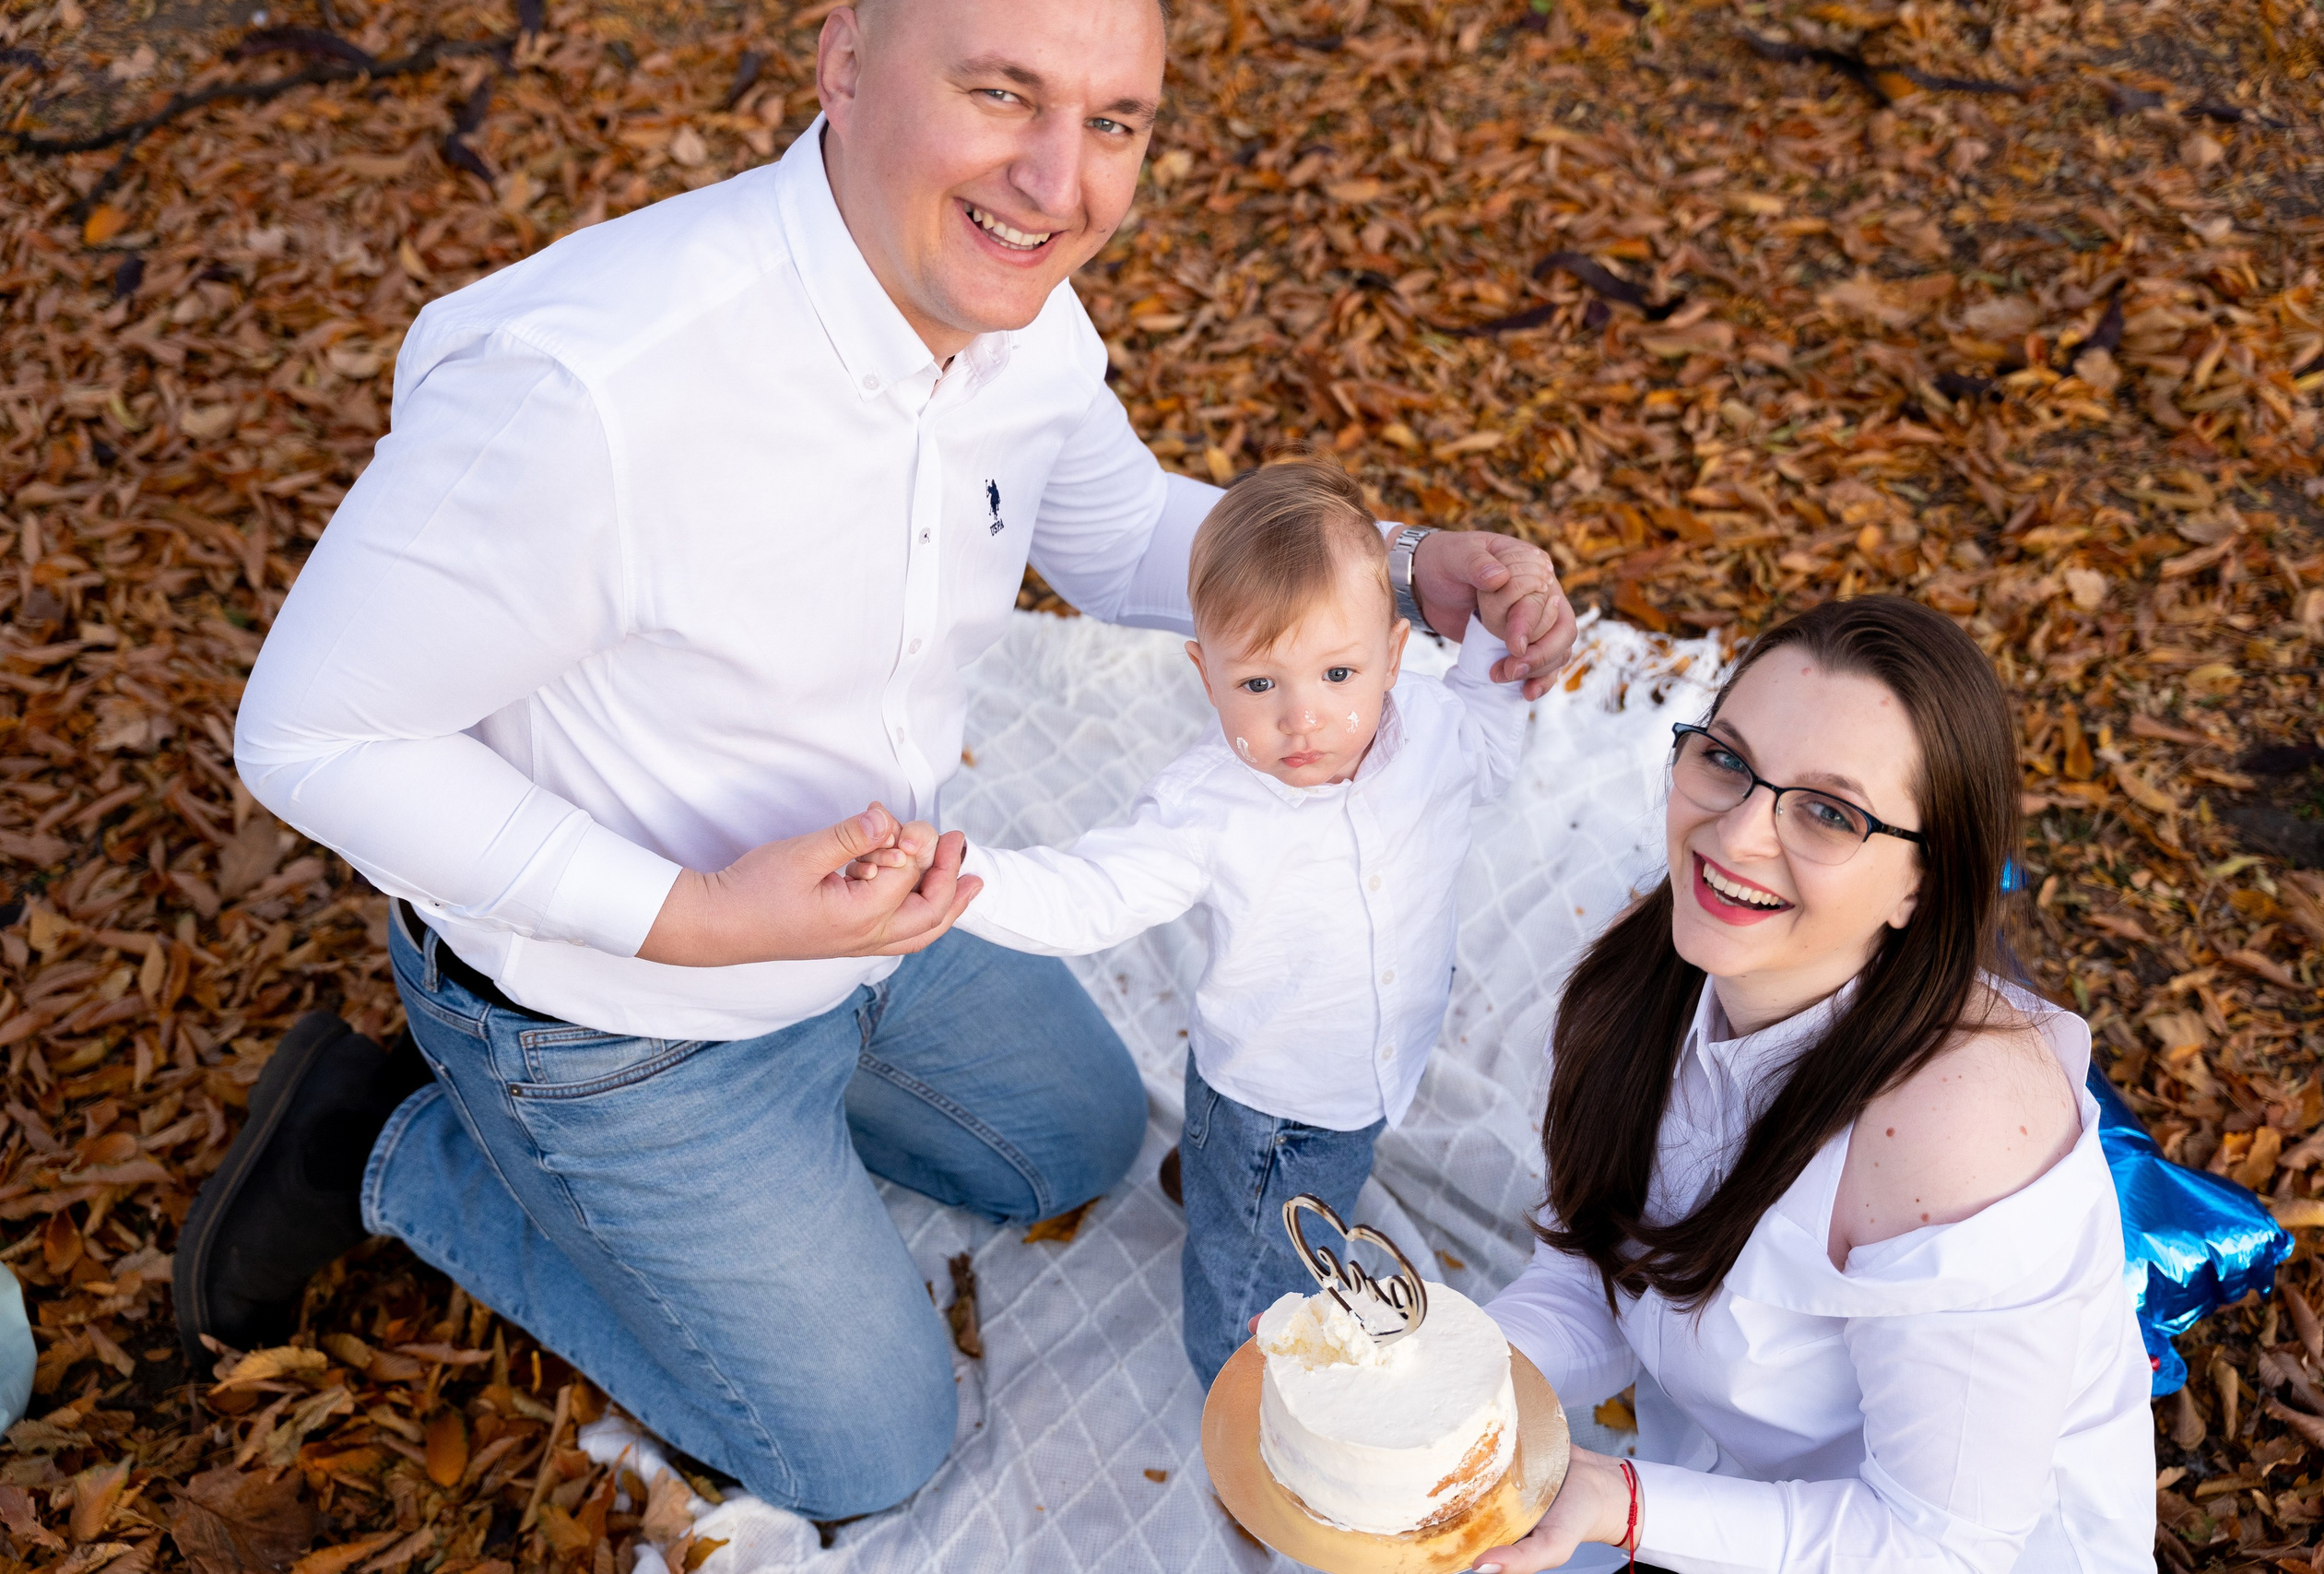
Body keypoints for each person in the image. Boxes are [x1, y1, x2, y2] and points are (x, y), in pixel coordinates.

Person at [181, 0, 1578, 1520]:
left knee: (1083, 1144)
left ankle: (778, 1150)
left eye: (1115, 123)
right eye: (1002, 94)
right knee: (871, 1451)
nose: (1061, 184)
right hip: (622, 1013)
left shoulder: (1009, 305)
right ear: (844, 60)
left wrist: (1399, 567)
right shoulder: (589, 390)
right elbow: (312, 733)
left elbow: (1117, 533)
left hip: (881, 919)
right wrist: (710, 915)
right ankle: (394, 1143)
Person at [1466, 595, 2154, 1573]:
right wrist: (1449, 1375)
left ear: (1924, 882)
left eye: (1829, 812)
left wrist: (1622, 1502)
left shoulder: (1954, 1130)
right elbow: (1599, 1268)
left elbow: (1944, 1547)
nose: (1738, 834)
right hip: (1713, 1507)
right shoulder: (1653, 974)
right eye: (1726, 760)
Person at [937, 460, 1530, 1388]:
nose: (1304, 718)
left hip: (1382, 1058)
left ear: (1395, 653)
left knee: (1294, 1180)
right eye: (1258, 684)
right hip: (1275, 1106)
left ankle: (1205, 1184)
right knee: (1257, 1277)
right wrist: (962, 874)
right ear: (1202, 670)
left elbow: (1490, 748)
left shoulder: (1433, 735)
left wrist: (1503, 651)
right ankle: (1239, 1382)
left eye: (1339, 672)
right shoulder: (1204, 809)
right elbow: (1093, 892)